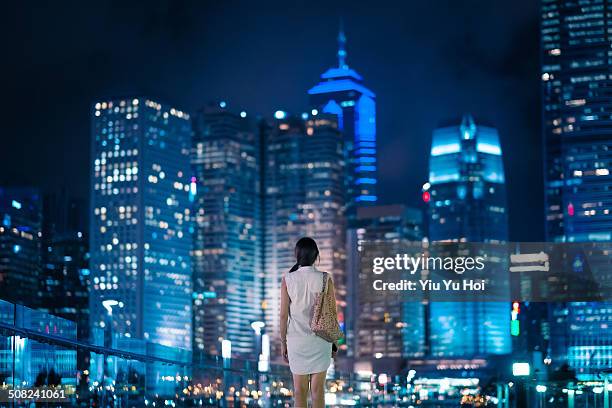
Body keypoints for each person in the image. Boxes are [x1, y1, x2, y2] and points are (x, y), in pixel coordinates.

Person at [279, 237, 339, 408]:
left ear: (296, 255)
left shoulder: (288, 279)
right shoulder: (325, 279)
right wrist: (335, 343)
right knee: (318, 391)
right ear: (316, 256)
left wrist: (283, 343)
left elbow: (283, 316)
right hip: (320, 341)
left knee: (299, 392)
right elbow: (331, 314)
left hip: (296, 342)